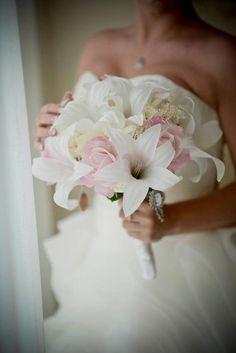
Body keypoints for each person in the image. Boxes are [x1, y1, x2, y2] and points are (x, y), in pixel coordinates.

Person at [34, 1, 236, 352]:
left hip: (180, 265)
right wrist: (56, 143)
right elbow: (83, 183)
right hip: (99, 258)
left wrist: (168, 220)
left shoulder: (222, 55)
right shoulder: (96, 46)